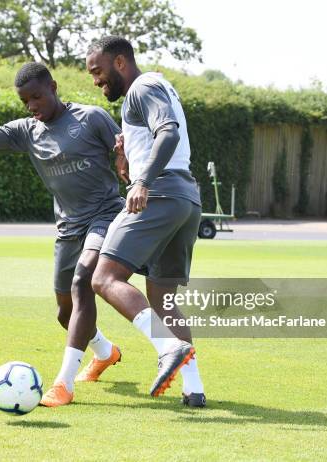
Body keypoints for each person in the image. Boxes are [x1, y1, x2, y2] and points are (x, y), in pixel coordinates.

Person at [0, 62, 127, 407]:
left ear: (53, 86)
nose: (32, 105)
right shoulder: (26, 130)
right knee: (65, 313)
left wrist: (132, 170)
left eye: (36, 96)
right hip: (68, 228)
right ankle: (106, 352)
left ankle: (63, 384)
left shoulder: (91, 118)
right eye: (25, 101)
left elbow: (128, 147)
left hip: (105, 215)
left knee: (83, 279)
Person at [86, 36, 206, 407]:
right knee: (162, 297)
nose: (96, 80)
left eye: (98, 71)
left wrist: (143, 181)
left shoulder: (143, 86)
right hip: (185, 195)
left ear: (120, 62)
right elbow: (160, 137)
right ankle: (194, 388)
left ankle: (167, 346)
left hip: (162, 193)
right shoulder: (154, 87)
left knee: (103, 278)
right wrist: (129, 161)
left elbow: (167, 131)